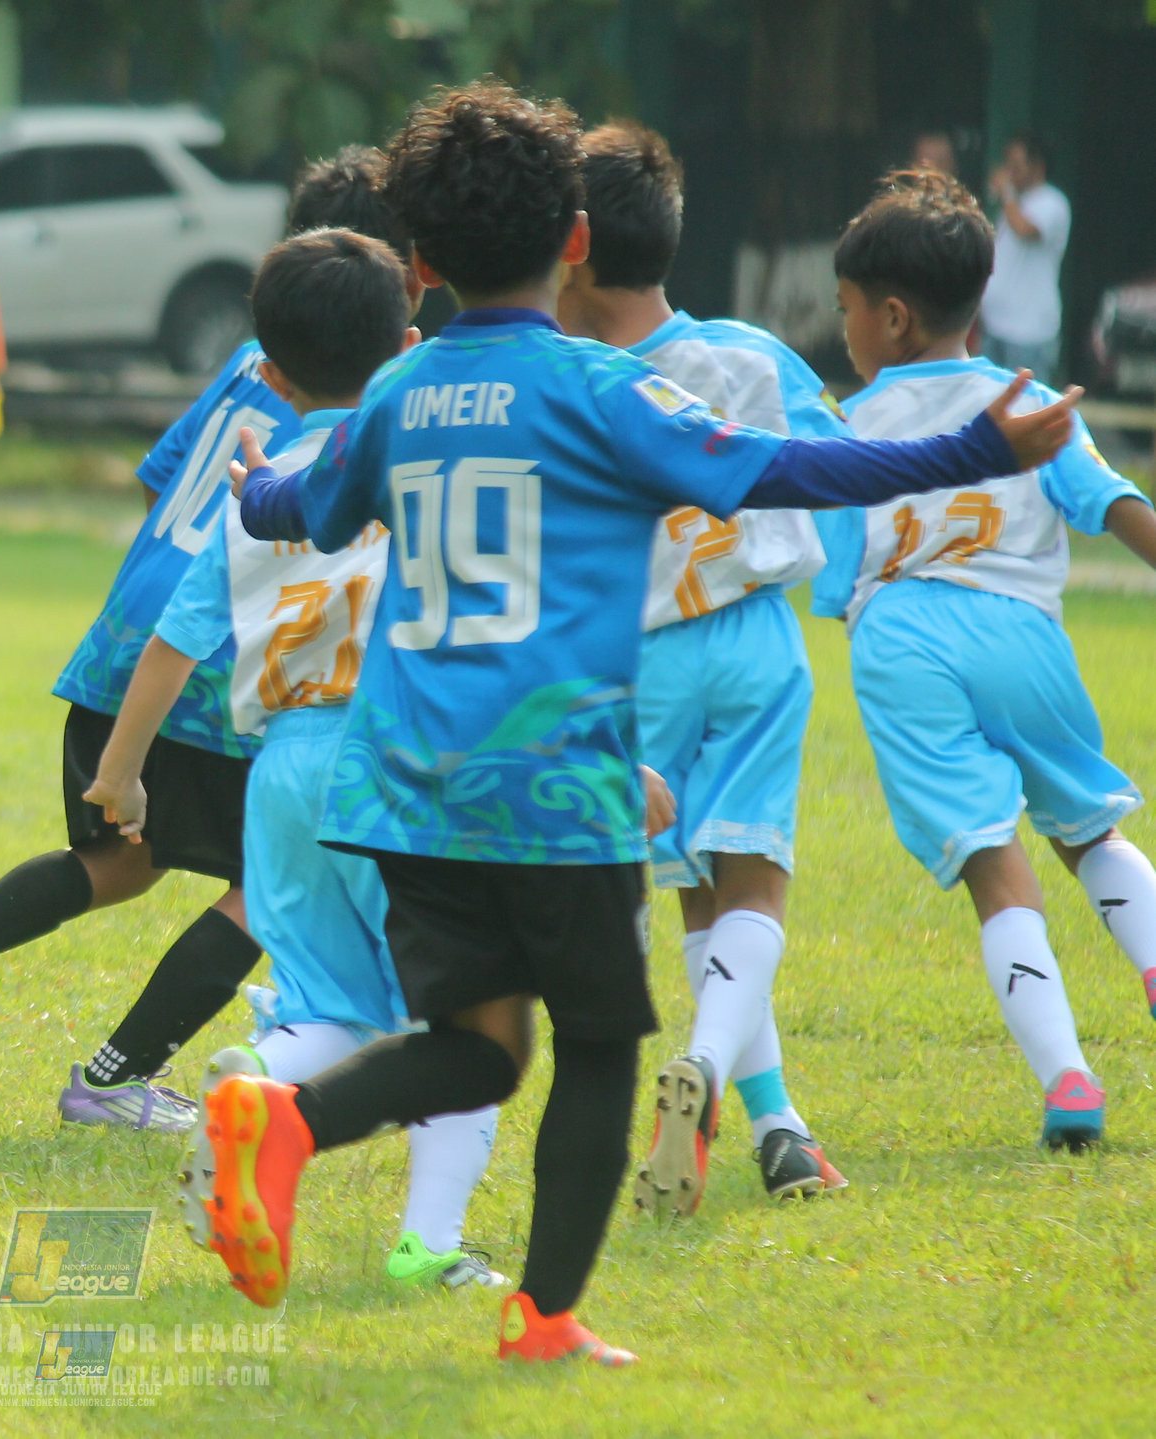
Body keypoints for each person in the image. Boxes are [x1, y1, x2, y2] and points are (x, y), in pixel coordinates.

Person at [201, 79, 1082, 1366]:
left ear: (423, 264)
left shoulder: (397, 393)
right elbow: (785, 466)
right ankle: (544, 1316)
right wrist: (968, 452)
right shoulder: (598, 391)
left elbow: (305, 502)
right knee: (601, 1043)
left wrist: (258, 482)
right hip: (551, 782)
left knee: (480, 1045)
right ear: (574, 239)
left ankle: (281, 1125)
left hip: (404, 786)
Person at [0, 149, 402, 1133]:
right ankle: (114, 1078)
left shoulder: (252, 360)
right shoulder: (383, 408)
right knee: (265, 885)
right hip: (218, 654)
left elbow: (163, 482)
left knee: (127, 855)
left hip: (128, 634)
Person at [86, 225, 508, 1291]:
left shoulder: (253, 490)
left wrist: (118, 774)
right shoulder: (425, 463)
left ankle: (259, 1086)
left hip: (284, 768)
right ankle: (428, 1245)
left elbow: (171, 647)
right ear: (409, 345)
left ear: (265, 373)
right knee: (465, 1014)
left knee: (329, 1003)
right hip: (396, 759)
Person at [816, 168, 1156, 1152]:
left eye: (842, 309)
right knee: (1088, 825)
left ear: (887, 317)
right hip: (1023, 633)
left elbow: (834, 583)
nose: (841, 329)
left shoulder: (853, 428)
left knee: (991, 868)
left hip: (905, 644)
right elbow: (1111, 503)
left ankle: (1068, 1081)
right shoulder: (1030, 402)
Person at [556, 121, 849, 1215]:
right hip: (759, 642)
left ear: (570, 250)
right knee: (749, 880)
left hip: (640, 663)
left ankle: (734, 1097)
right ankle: (750, 1104)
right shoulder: (747, 354)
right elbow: (838, 455)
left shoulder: (574, 385)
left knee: (683, 882)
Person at [980, 133, 1070, 384]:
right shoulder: (1014, 205)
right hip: (995, 327)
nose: (1009, 172)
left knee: (1026, 408)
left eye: (1016, 166)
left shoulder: (1052, 201)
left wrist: (1006, 193)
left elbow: (1026, 231)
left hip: (1029, 333)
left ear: (1037, 166)